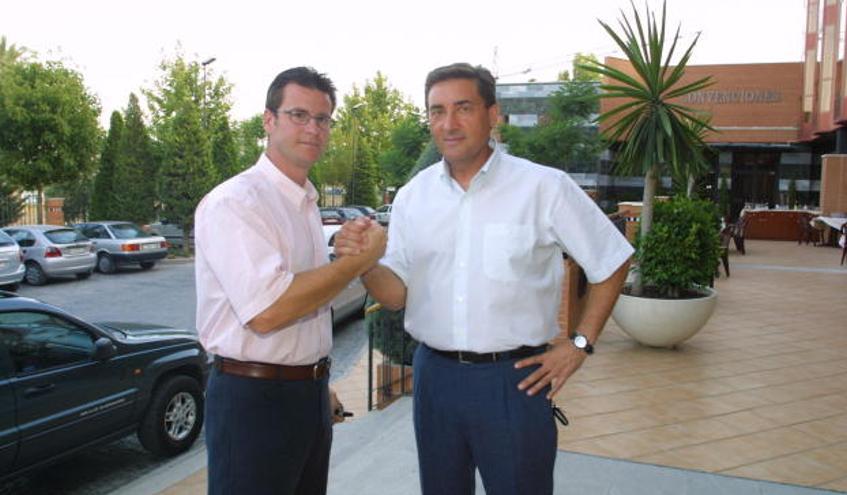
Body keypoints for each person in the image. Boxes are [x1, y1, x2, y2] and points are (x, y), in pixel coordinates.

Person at [336, 63, 633, 494]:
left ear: (493, 114)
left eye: (463, 108)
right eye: (437, 111)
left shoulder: (543, 187)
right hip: (434, 377)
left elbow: (611, 260)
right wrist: (363, 263)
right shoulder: (413, 196)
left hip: (514, 381)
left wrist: (580, 345)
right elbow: (395, 294)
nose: (449, 123)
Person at [195, 66, 386, 495]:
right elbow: (268, 311)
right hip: (253, 398)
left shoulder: (304, 201)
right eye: (299, 114)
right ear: (269, 120)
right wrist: (356, 264)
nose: (313, 128)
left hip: (306, 395)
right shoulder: (236, 202)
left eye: (323, 119)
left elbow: (309, 300)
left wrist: (317, 385)